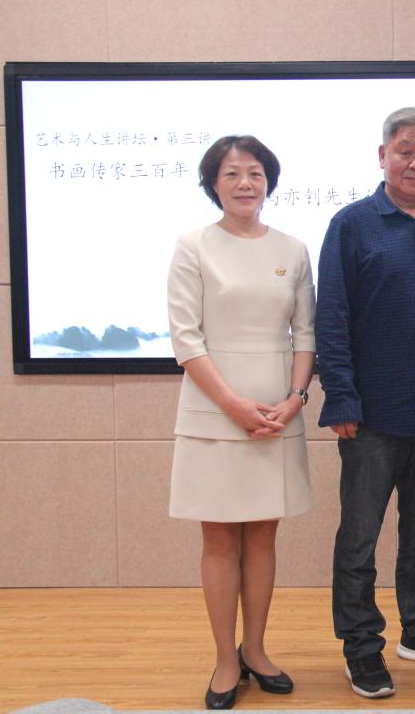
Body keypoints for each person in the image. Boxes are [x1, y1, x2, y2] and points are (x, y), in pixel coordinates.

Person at [315, 106, 415, 699]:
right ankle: (361, 646)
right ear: (382, 155)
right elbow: (330, 317)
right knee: (359, 539)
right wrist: (341, 397)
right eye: (406, 150)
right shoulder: (352, 225)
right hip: (372, 416)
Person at [167, 135, 316, 710]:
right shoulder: (193, 246)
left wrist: (295, 398)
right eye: (232, 173)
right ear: (214, 183)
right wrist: (231, 403)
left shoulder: (293, 249)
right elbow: (186, 338)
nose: (245, 183)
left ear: (268, 181)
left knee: (263, 535)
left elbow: (305, 333)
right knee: (220, 537)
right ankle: (225, 659)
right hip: (214, 411)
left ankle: (255, 649)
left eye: (254, 172)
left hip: (277, 413)